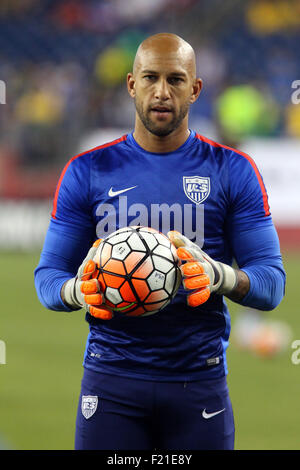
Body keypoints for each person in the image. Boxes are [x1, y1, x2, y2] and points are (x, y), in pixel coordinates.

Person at [34, 33, 286, 450]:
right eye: (150, 78)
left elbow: (271, 284)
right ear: (131, 84)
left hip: (199, 383)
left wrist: (218, 275)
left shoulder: (233, 171)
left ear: (196, 89)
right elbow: (47, 278)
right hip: (110, 382)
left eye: (176, 79)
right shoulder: (87, 171)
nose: (162, 92)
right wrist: (76, 290)